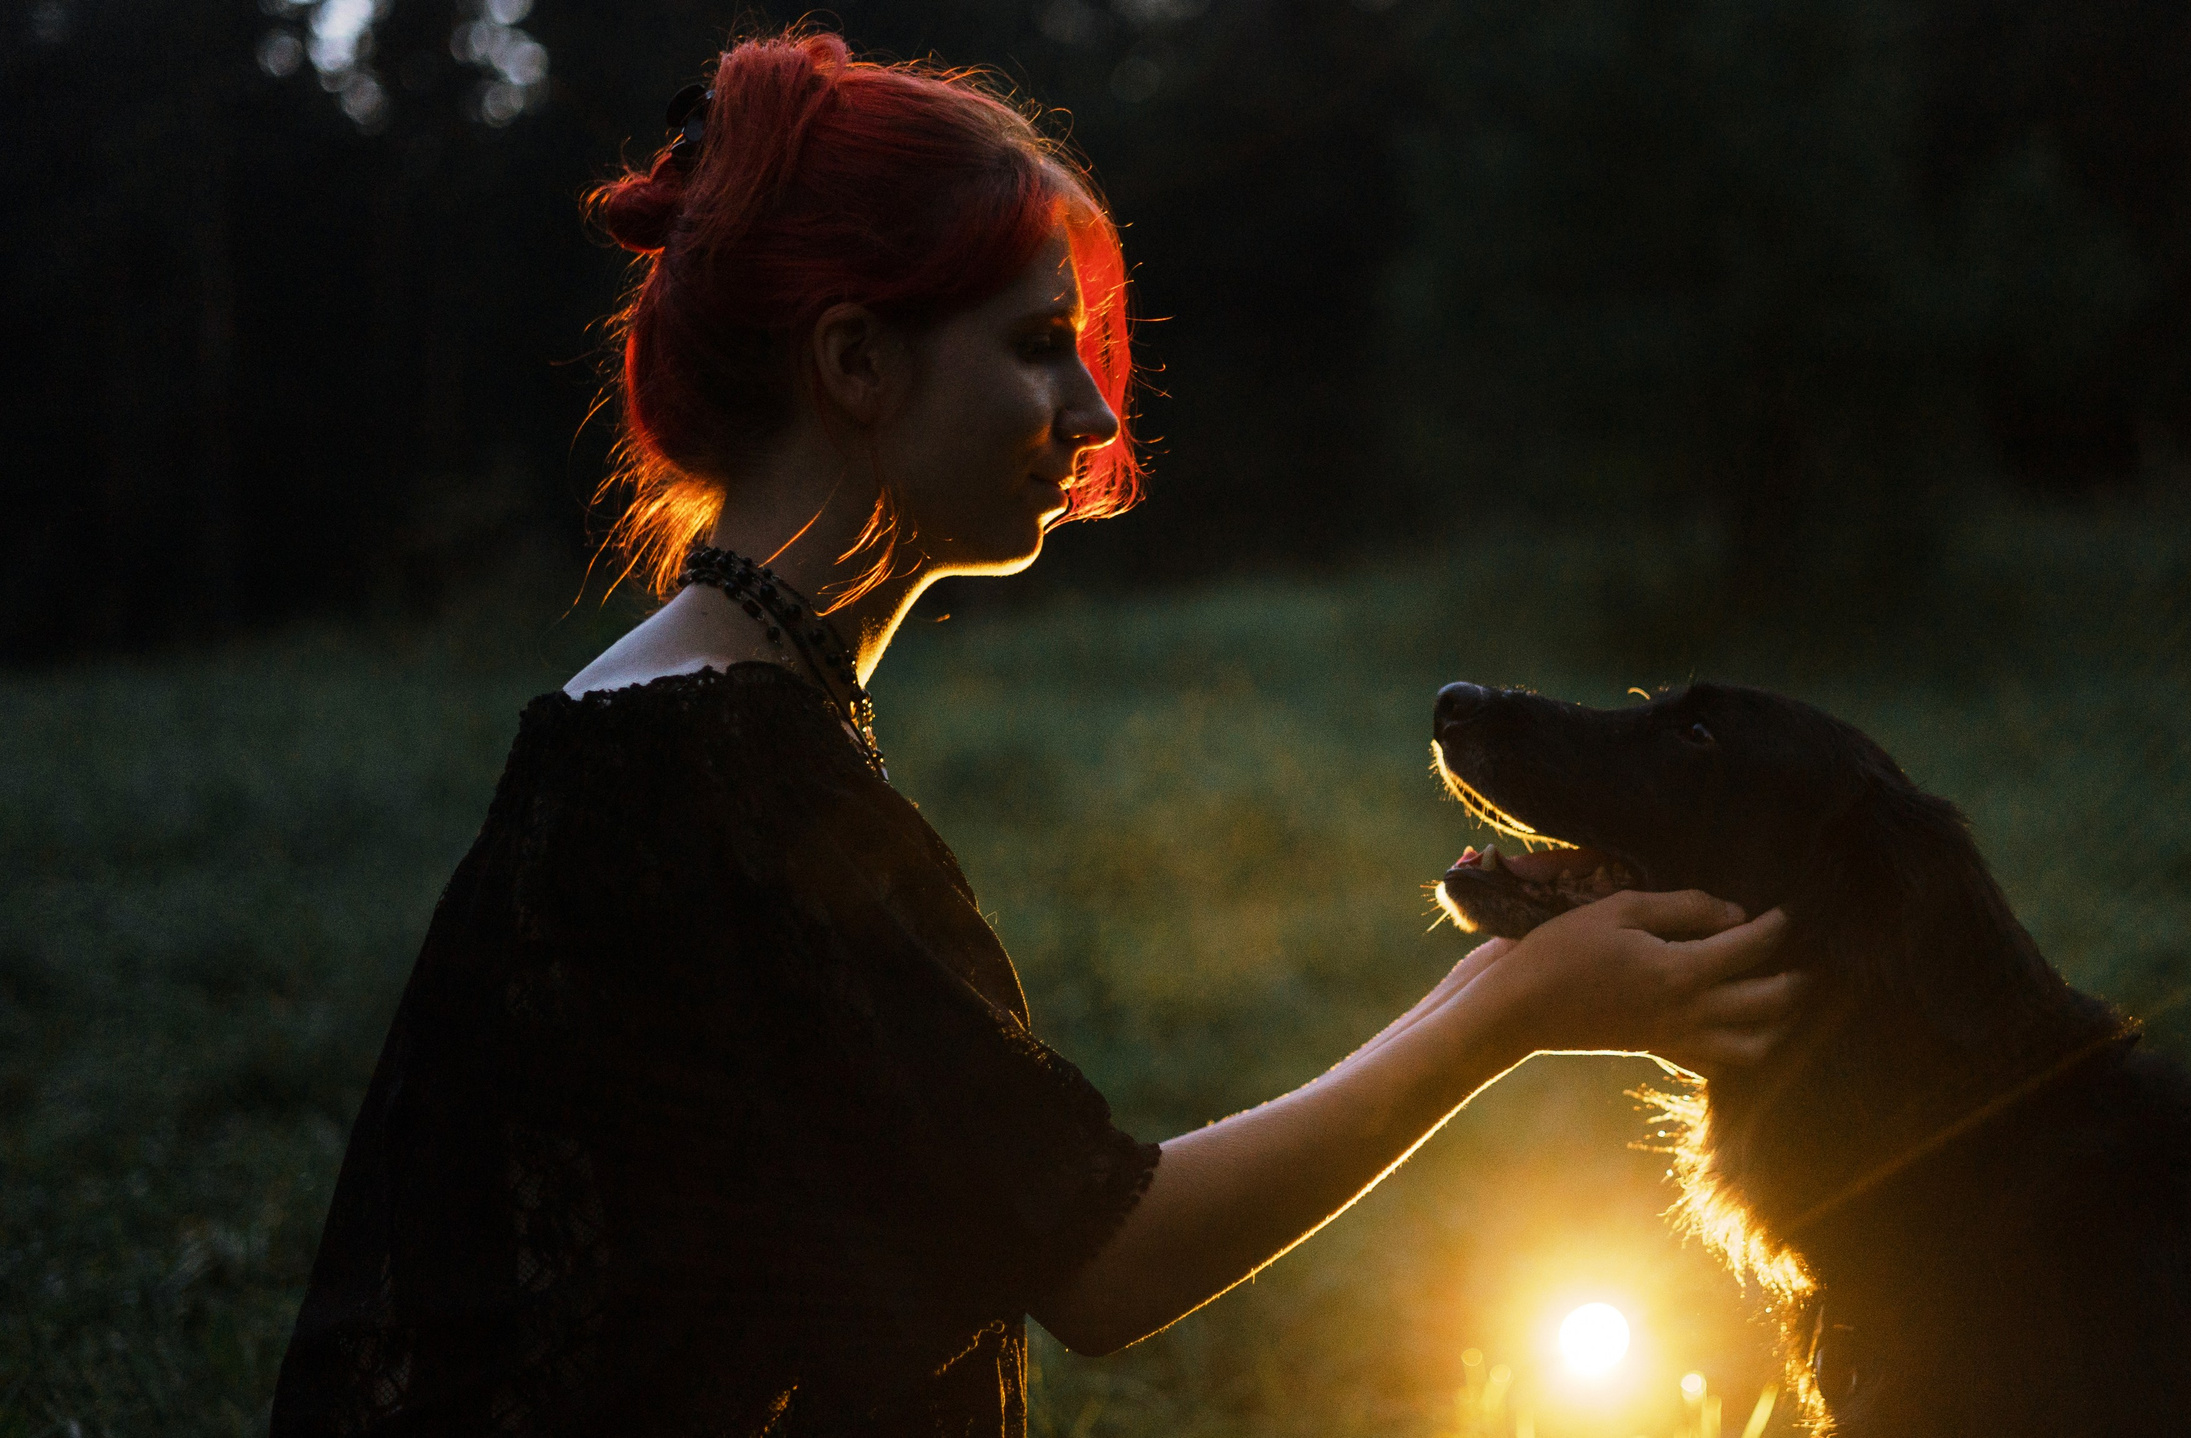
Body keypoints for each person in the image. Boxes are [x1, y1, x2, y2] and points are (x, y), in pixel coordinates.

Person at [269, 29, 1800, 1438]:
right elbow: (1102, 1257)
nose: (1092, 414)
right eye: (1035, 344)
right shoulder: (716, 767)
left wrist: (1497, 974)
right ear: (855, 362)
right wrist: (1507, 1012)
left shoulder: (681, 718)